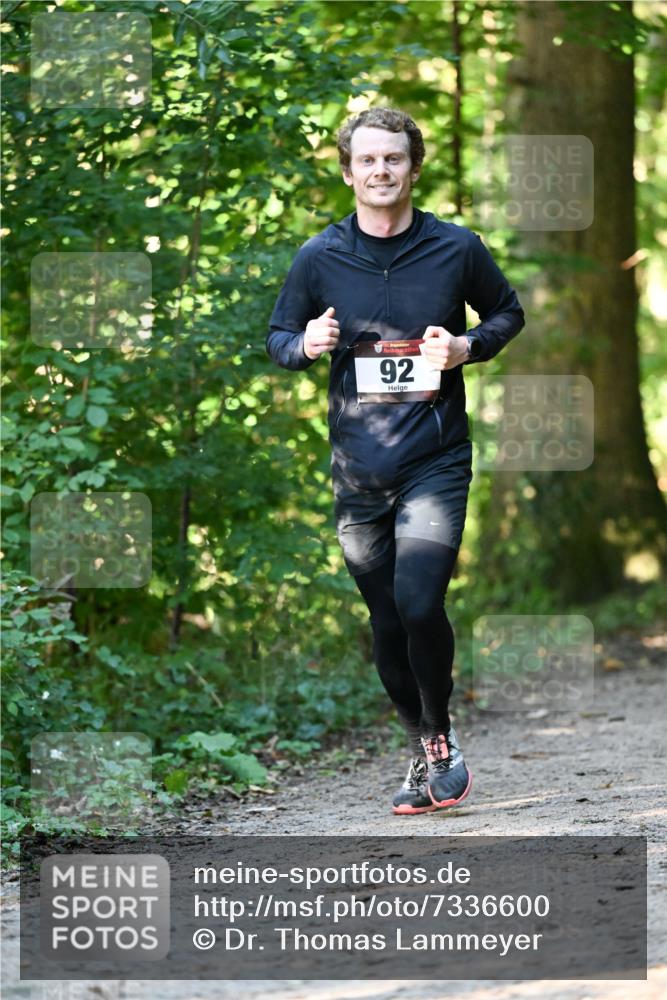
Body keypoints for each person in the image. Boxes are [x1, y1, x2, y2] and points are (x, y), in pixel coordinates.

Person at [266, 107, 524, 814]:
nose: (381, 171)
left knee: (418, 601)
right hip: (357, 468)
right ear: (348, 171)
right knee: (386, 620)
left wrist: (468, 347)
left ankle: (439, 740)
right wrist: (306, 346)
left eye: (393, 159)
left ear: (412, 168)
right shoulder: (320, 256)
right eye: (368, 161)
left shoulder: (455, 247)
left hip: (434, 457)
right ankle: (419, 744)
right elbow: (278, 336)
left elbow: (506, 312)